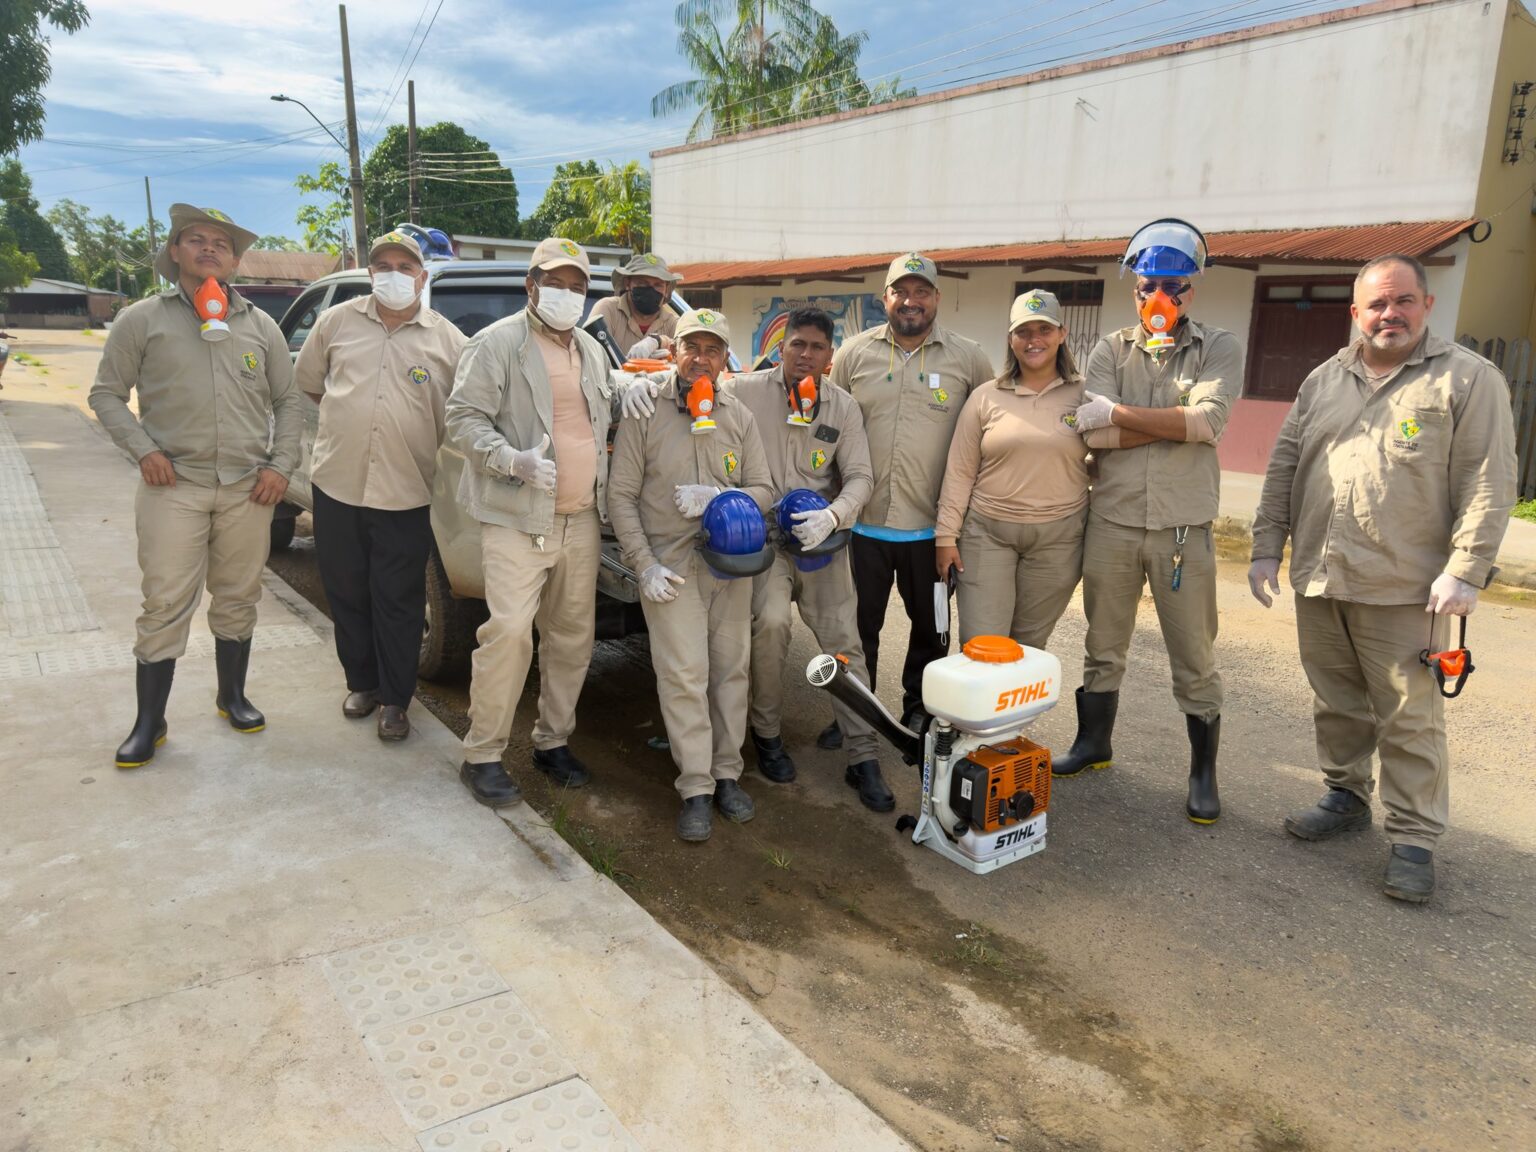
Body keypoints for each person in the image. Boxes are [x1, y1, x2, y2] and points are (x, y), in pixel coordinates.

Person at [1249, 254, 1516, 903]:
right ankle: (1346, 796)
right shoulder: (1322, 379)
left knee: (1409, 715)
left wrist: (1466, 569)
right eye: (1376, 304)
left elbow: (1490, 481)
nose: (1389, 314)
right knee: (1336, 700)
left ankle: (1415, 838)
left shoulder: (1466, 380)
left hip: (1407, 587)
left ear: (1426, 305)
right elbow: (1286, 463)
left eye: (1402, 301)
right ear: (1356, 313)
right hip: (1323, 573)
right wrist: (1264, 548)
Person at [89, 203, 302, 768]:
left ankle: (231, 695)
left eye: (222, 244)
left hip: (245, 489)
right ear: (175, 251)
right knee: (164, 603)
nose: (210, 248)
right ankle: (149, 721)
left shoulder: (260, 327)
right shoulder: (142, 319)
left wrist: (280, 465)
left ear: (234, 260)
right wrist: (143, 450)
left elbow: (289, 401)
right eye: (197, 239)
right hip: (173, 486)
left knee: (238, 598)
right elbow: (106, 394)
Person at [1058, 219, 1242, 825]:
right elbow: (1094, 430)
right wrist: (1164, 420)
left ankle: (1202, 772)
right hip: (1111, 521)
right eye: (1145, 287)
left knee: (1193, 653)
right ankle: (1093, 744)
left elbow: (1207, 423)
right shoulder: (1110, 348)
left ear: (1191, 289)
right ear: (1132, 288)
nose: (1156, 299)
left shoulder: (1218, 347)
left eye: (1170, 286)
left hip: (1181, 529)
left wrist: (1120, 415)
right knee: (1102, 643)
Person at [445, 237, 619, 808]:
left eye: (576, 286)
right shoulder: (496, 344)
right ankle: (483, 754)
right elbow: (462, 420)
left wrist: (637, 387)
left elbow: (600, 414)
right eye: (555, 282)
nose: (566, 294)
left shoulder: (591, 351)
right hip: (519, 518)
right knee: (510, 634)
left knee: (571, 638)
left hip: (581, 518)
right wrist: (511, 460)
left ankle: (552, 741)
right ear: (531, 285)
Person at [608, 309, 775, 842]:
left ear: (726, 359)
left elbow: (765, 490)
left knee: (730, 672)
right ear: (674, 351)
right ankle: (696, 786)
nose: (700, 358)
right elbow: (620, 495)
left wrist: (725, 497)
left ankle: (728, 775)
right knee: (684, 676)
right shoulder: (645, 410)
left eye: (712, 349)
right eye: (691, 348)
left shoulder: (738, 415)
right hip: (671, 567)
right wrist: (644, 563)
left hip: (729, 565)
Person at [295, 230, 467, 741]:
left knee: (399, 600)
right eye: (383, 265)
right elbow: (309, 382)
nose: (393, 273)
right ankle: (361, 683)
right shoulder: (336, 323)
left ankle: (396, 700)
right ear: (371, 273)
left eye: (404, 265)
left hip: (406, 490)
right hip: (337, 484)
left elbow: (466, 409)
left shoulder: (447, 340)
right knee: (346, 591)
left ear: (422, 275)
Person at [727, 307, 895, 811]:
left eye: (817, 347)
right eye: (797, 344)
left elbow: (862, 476)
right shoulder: (745, 392)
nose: (806, 355)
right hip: (768, 543)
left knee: (846, 645)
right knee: (771, 627)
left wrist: (835, 515)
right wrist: (651, 383)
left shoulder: (841, 407)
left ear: (830, 354)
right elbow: (696, 390)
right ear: (783, 349)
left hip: (822, 544)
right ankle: (768, 735)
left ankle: (862, 754)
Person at [827, 252, 995, 735]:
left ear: (937, 298)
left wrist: (960, 524)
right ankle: (856, 713)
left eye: (921, 291)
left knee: (932, 631)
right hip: (861, 526)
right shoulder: (854, 354)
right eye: (901, 291)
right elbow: (830, 426)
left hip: (935, 532)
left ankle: (918, 709)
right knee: (858, 630)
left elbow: (988, 430)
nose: (911, 301)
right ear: (886, 298)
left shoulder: (969, 357)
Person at [935, 289, 1089, 650]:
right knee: (981, 644)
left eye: (1044, 329)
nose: (1034, 340)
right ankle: (979, 709)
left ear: (1061, 334)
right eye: (1023, 331)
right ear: (1010, 339)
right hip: (987, 535)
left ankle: (1019, 709)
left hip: (1059, 540)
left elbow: (1108, 454)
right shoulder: (986, 396)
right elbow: (960, 471)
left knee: (1029, 646)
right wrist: (945, 537)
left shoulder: (1085, 394)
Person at [588, 252, 682, 358]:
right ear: (627, 283)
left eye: (658, 285)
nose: (650, 290)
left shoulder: (673, 324)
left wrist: (660, 341)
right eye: (643, 283)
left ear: (666, 289)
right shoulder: (608, 310)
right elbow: (591, 356)